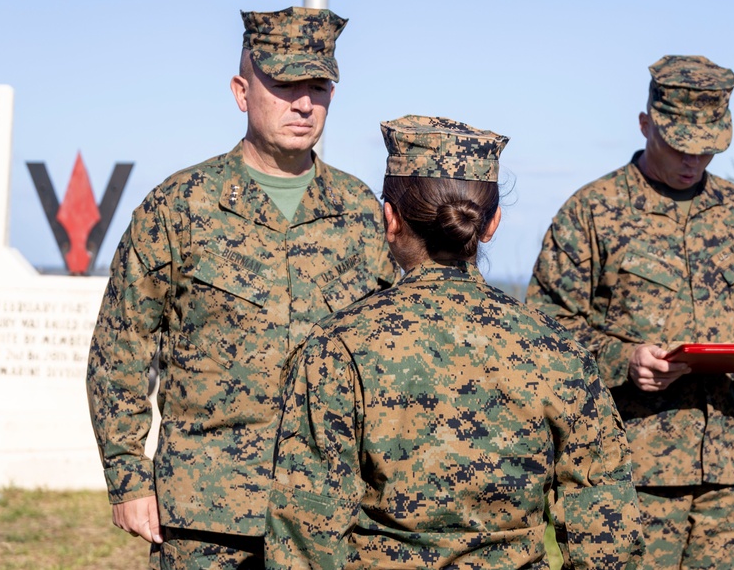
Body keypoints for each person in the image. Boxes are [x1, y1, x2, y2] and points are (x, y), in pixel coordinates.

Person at [86, 6, 398, 569]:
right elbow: (120, 348)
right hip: (205, 517)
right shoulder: (180, 206)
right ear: (240, 91)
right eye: (283, 84)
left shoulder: (361, 214)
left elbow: (389, 356)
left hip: (329, 515)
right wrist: (128, 476)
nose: (304, 104)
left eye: (319, 86)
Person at [265, 115, 646, 569]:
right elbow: (607, 533)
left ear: (390, 219)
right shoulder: (557, 349)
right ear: (492, 224)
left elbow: (305, 533)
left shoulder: (338, 346)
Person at [526, 55, 734, 569]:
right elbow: (544, 331)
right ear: (646, 123)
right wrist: (622, 361)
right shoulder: (593, 210)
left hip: (725, 473)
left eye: (708, 149)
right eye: (678, 145)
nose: (693, 161)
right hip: (627, 471)